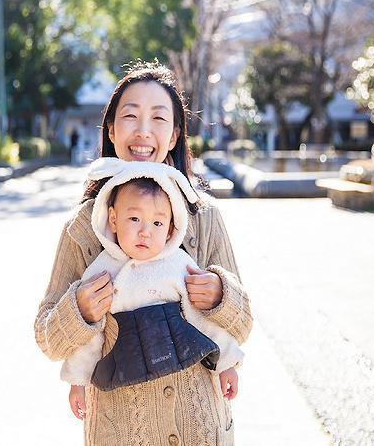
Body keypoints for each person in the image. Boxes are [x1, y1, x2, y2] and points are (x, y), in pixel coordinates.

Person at [34, 61, 253, 445]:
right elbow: (46, 337)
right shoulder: (84, 228)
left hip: (200, 429)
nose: (143, 131)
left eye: (158, 118)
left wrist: (220, 295)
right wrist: (79, 310)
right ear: (112, 131)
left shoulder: (204, 216)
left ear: (174, 135)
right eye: (130, 116)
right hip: (118, 432)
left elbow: (244, 322)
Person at [61, 158, 243, 422]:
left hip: (178, 368)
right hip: (125, 374)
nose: (145, 232)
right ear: (113, 219)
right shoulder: (102, 271)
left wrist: (227, 365)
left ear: (171, 228)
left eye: (157, 224)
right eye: (134, 218)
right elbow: (91, 336)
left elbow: (203, 320)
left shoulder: (179, 266)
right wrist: (77, 382)